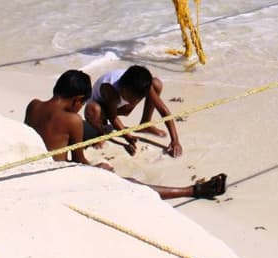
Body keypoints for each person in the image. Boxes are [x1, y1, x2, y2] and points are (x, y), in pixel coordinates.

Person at [24, 70, 225, 200]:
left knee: (92, 131)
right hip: (57, 177)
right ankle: (191, 190)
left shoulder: (33, 105)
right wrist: (99, 168)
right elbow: (78, 162)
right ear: (77, 100)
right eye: (82, 104)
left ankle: (192, 190)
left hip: (33, 165)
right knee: (131, 185)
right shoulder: (73, 121)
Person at [85, 65, 183, 157]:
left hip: (120, 106)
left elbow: (163, 110)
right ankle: (101, 132)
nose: (133, 101)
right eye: (130, 97)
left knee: (156, 84)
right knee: (93, 110)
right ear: (123, 87)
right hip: (102, 108)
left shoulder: (140, 88)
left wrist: (175, 140)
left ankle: (146, 123)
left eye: (135, 99)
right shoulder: (110, 89)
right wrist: (127, 136)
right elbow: (112, 117)